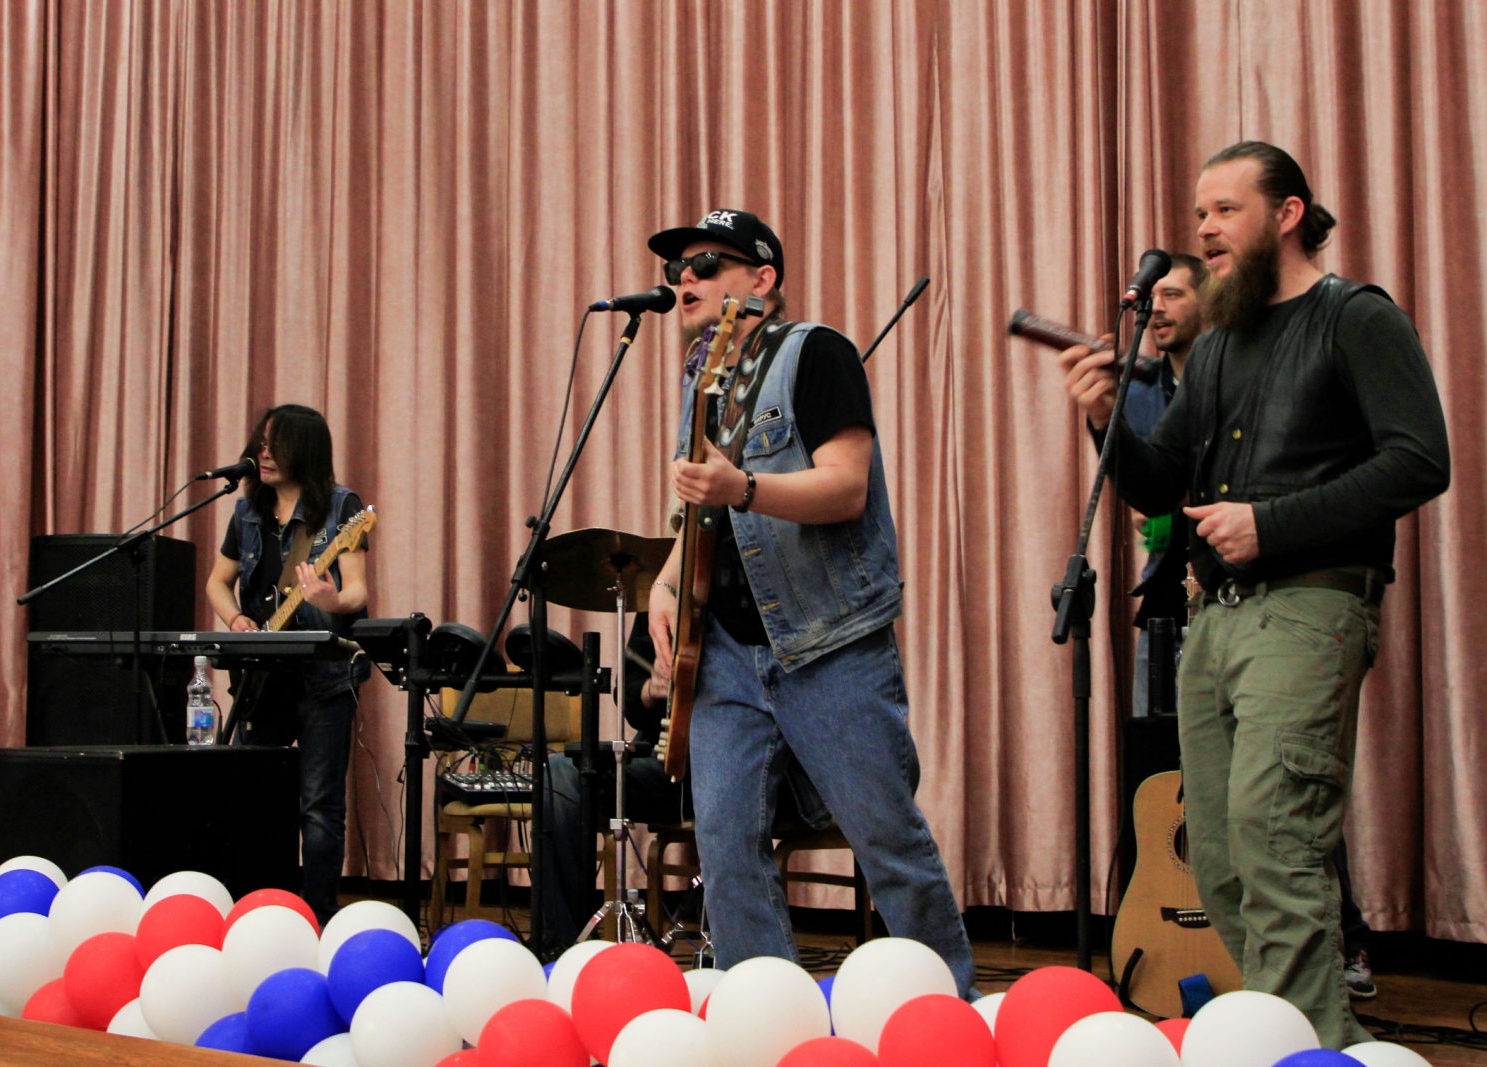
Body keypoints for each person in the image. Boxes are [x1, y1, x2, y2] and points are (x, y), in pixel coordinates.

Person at [1058, 142, 1449, 1047]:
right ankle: (1286, 1037)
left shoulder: (1356, 317)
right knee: (1223, 859)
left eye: (1225, 209)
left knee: (1277, 841)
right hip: (1215, 621)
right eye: (1200, 212)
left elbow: (1419, 460)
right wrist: (1103, 418)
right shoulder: (1222, 344)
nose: (1203, 228)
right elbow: (1162, 484)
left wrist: (1270, 524)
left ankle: (1316, 1051)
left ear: (1288, 214)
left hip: (1309, 608)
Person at [644, 208, 977, 992]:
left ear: (761, 280)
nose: (685, 278)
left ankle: (951, 1002)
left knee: (884, 835)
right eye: (677, 269)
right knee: (726, 846)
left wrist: (743, 486)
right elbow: (701, 515)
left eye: (707, 264)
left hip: (827, 639)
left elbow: (845, 487)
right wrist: (665, 580)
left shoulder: (818, 352)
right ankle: (766, 1010)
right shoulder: (702, 377)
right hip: (724, 652)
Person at [205, 403, 372, 925]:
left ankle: (318, 916)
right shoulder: (246, 511)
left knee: (319, 805)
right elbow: (217, 582)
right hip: (261, 675)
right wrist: (235, 619)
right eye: (262, 442)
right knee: (255, 797)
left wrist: (331, 598)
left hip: (324, 678)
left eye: (277, 444)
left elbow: (358, 592)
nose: (264, 453)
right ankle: (258, 911)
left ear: (306, 449)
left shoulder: (342, 507)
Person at [544, 614, 691, 950]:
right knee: (562, 772)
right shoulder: (663, 602)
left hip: (734, 767)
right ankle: (567, 947)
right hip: (664, 765)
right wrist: (653, 688)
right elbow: (630, 701)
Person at [1105, 252, 1207, 716]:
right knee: (1155, 748)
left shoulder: (1235, 379)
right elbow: (1140, 489)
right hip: (1164, 595)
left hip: (1231, 596)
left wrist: (1176, 496)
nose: (1158, 307)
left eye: (1174, 294)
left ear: (1208, 303)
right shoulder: (1137, 391)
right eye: (1154, 297)